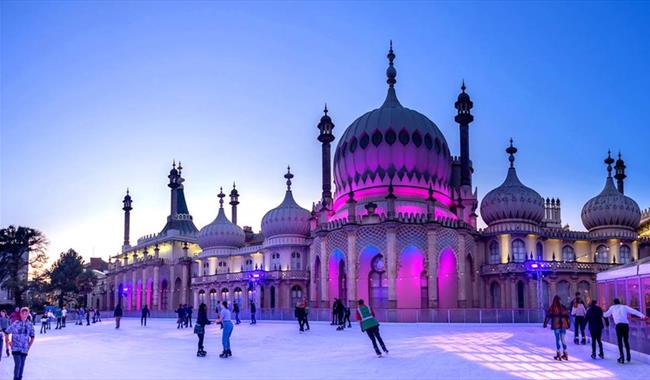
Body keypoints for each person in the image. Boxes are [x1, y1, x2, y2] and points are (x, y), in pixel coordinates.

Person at [603, 298, 647, 363]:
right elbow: (634, 311)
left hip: (618, 326)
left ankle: (622, 356)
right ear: (619, 302)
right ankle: (628, 356)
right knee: (626, 341)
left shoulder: (612, 308)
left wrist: (602, 312)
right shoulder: (624, 307)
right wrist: (643, 316)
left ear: (614, 303)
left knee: (620, 341)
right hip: (625, 326)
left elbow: (605, 315)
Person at [4, 307, 35, 380]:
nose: (24, 315)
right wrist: (9, 342)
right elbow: (6, 332)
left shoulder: (30, 324)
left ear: (28, 314)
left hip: (24, 349)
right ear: (20, 314)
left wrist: (29, 346)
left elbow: (32, 336)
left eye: (26, 313)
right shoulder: (15, 323)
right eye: (23, 313)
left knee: (22, 365)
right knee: (18, 364)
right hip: (15, 348)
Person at [543, 295, 571, 361]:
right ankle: (565, 353)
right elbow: (567, 316)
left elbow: (548, 316)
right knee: (563, 339)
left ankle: (558, 353)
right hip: (563, 325)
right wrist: (568, 324)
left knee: (557, 339)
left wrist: (545, 323)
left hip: (556, 325)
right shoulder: (563, 307)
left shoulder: (553, 307)